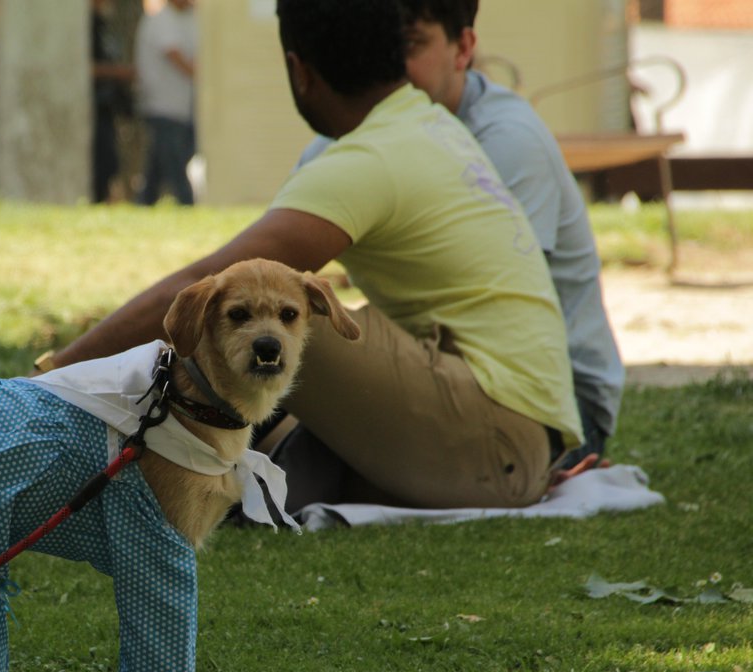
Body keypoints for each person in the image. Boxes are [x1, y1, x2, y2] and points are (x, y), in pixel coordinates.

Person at [36, 0, 583, 512]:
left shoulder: (369, 161)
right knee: (267, 314)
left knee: (260, 309)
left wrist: (45, 384)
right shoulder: (423, 124)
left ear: (299, 70)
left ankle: (65, 437)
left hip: (499, 445)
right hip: (515, 435)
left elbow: (202, 284)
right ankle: (235, 464)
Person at [295, 0, 623, 467]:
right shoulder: (350, 135)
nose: (391, 64)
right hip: (434, 369)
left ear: (463, 47)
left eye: (409, 45)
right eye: (379, 45)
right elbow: (273, 261)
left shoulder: (506, 142)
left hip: (557, 401)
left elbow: (507, 313)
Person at [134, 0, 197, 206]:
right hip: (162, 105)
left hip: (181, 106)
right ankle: (186, 203)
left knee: (159, 163)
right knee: (174, 161)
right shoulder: (161, 20)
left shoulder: (189, 19)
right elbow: (176, 56)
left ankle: (144, 202)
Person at [91, 0, 136, 203]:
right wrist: (117, 72)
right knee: (103, 160)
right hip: (94, 106)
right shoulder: (89, 26)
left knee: (109, 161)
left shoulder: (104, 25)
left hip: (107, 107)